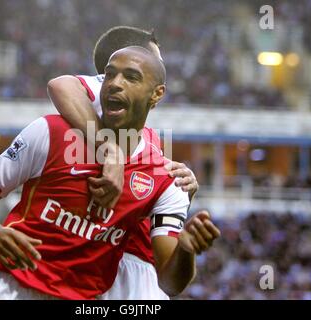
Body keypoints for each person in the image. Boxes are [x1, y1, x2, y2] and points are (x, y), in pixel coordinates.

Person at [0, 46, 220, 300]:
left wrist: (186, 249)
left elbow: (170, 283)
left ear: (157, 94)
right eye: (110, 75)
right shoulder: (50, 131)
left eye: (131, 77)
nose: (115, 84)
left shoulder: (166, 179)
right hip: (8, 286)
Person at [48, 26, 199, 299]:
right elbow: (61, 85)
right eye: (157, 58)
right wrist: (109, 148)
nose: (162, 66)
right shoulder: (105, 93)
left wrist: (179, 182)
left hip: (136, 263)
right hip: (120, 263)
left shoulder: (143, 132)